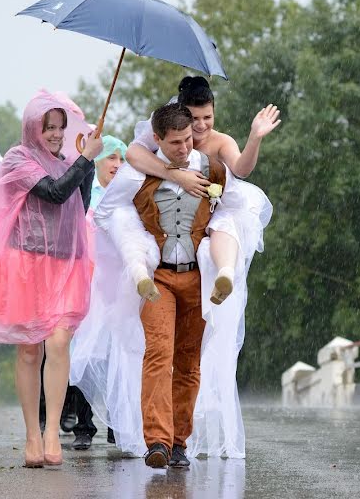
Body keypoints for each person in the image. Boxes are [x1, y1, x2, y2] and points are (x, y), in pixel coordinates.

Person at [71, 87, 272, 462]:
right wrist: (135, 230)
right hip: (158, 277)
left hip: (196, 276)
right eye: (176, 141)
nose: (185, 147)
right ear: (158, 139)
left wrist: (219, 227)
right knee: (158, 354)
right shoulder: (136, 173)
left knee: (188, 359)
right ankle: (158, 442)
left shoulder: (211, 168)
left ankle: (180, 440)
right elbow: (105, 211)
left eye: (189, 140)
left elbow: (235, 204)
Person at [0, 90, 103, 468]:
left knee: (60, 340)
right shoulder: (20, 159)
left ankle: (53, 431)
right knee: (30, 347)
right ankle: (32, 435)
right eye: (47, 127)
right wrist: (85, 160)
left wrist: (86, 161)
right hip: (27, 262)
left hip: (67, 262)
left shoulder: (75, 158)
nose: (54, 134)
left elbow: (79, 207)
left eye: (60, 127)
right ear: (33, 127)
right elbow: (53, 193)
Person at [123, 76, 280, 305]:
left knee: (226, 222)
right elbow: (133, 153)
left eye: (208, 117)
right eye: (194, 118)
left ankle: (224, 273)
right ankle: (141, 274)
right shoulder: (169, 131)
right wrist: (176, 175)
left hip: (208, 216)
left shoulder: (220, 142)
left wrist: (255, 138)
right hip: (166, 217)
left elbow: (241, 169)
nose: (201, 125)